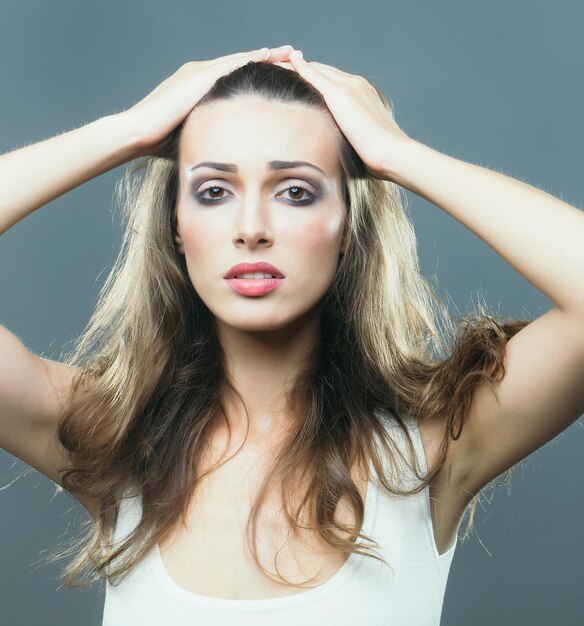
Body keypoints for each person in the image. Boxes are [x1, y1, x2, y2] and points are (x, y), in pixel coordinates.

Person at [1, 43, 583, 625]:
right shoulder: (115, 443)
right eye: (213, 191)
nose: (251, 228)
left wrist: (397, 154)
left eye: (296, 192)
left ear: (348, 227)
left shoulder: (430, 448)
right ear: (176, 227)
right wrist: (124, 132)